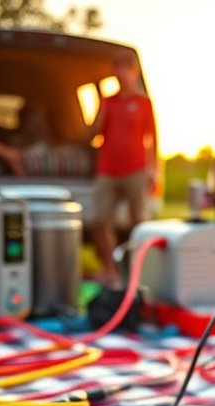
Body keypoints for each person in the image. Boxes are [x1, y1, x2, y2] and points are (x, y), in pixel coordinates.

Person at [88, 51, 157, 288]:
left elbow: (152, 138)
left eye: (126, 69)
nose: (121, 74)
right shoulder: (108, 102)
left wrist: (153, 169)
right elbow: (93, 134)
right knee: (99, 220)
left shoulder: (143, 103)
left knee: (139, 223)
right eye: (117, 68)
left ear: (134, 72)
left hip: (136, 169)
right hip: (107, 169)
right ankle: (111, 270)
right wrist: (100, 110)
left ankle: (139, 273)